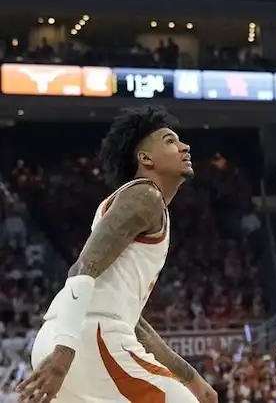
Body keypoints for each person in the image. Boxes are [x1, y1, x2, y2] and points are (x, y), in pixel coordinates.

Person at [18, 107, 215, 403]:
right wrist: (63, 354)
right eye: (170, 141)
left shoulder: (136, 203)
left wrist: (190, 378)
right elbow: (82, 268)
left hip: (71, 337)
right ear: (145, 159)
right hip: (86, 340)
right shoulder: (145, 195)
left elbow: (132, 321)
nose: (184, 146)